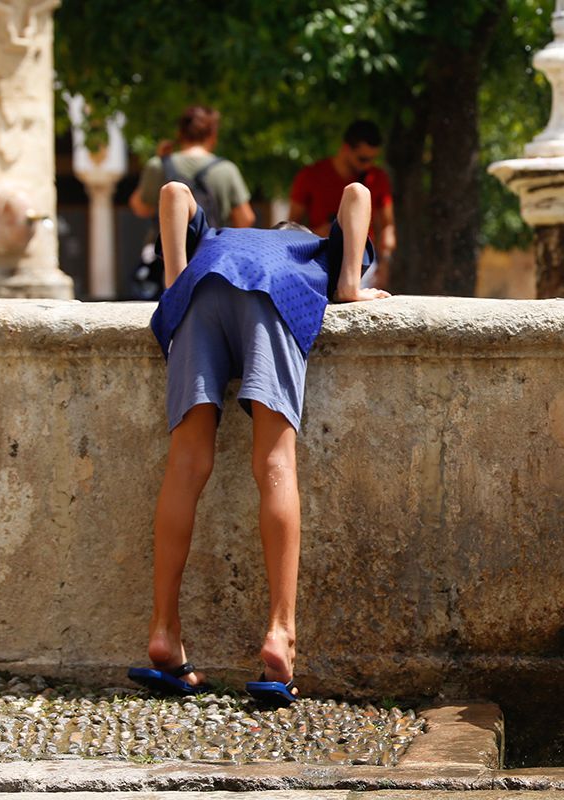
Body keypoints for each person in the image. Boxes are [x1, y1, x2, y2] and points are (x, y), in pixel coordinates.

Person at [126, 179, 389, 706]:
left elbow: (175, 191)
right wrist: (348, 287)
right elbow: (358, 191)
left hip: (201, 292)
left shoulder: (223, 236)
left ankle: (163, 632)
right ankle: (279, 635)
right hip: (276, 297)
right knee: (273, 461)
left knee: (186, 464)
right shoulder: (313, 248)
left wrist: (176, 280)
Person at [289, 119, 396, 288]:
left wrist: (385, 264)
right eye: (362, 159)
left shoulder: (377, 177)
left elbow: (387, 226)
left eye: (372, 159)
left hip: (364, 260)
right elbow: (291, 226)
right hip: (319, 255)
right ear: (346, 148)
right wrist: (319, 232)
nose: (368, 165)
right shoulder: (310, 176)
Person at [130, 105, 256, 229]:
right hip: (210, 248)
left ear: (179, 133)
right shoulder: (227, 169)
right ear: (213, 135)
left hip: (164, 248)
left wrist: (160, 159)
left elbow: (141, 208)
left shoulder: (158, 165)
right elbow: (245, 218)